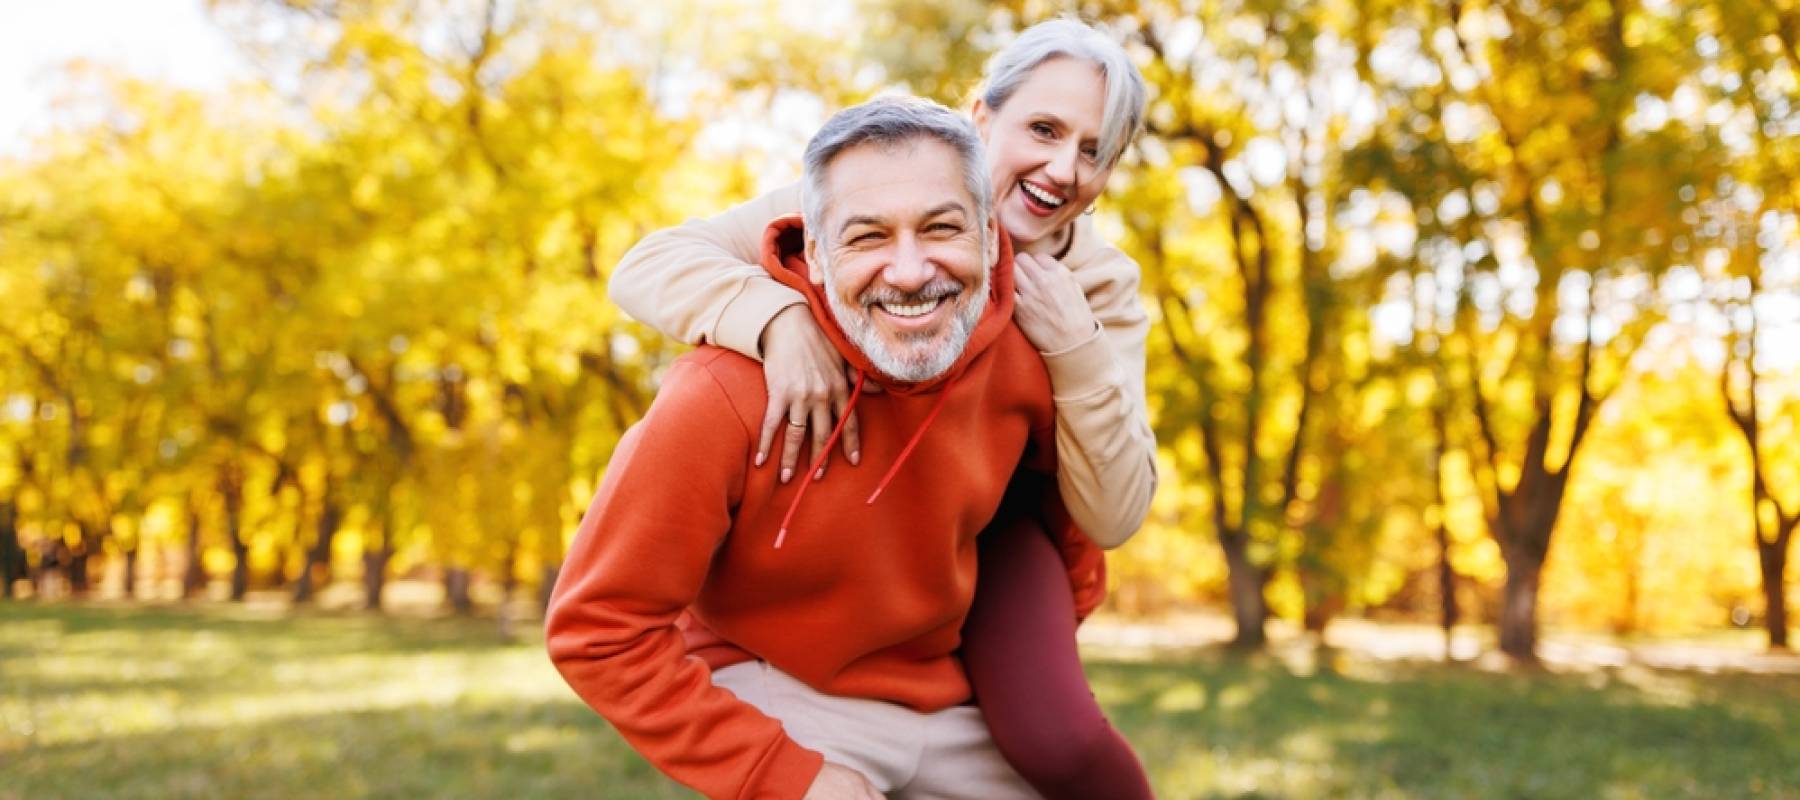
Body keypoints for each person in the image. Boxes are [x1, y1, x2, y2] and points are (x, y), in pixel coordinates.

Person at [608, 18, 1156, 798]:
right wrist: (777, 318)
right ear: (982, 117)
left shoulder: (1100, 285)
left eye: (1094, 151)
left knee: (1059, 739)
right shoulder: (882, 186)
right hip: (870, 492)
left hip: (1001, 512)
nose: (1063, 168)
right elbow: (647, 265)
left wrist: (1075, 345)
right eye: (1044, 129)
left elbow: (1117, 508)